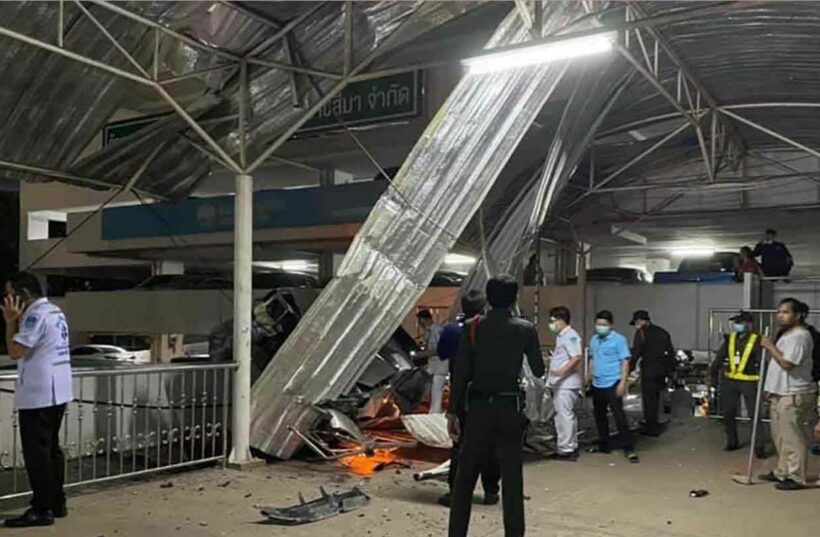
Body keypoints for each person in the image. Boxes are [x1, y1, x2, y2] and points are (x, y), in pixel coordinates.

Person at [448, 274, 544, 537]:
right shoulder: (525, 328)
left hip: (478, 409)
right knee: (512, 479)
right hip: (509, 409)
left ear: (488, 298)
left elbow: (461, 373)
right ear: (514, 299)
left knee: (465, 479)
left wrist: (452, 412)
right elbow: (538, 368)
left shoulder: (472, 326)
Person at [2, 272, 73, 527]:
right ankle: (56, 501)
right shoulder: (54, 311)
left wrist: (10, 322)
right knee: (51, 449)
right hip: (57, 389)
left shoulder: (34, 315)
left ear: (22, 294)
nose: (6, 300)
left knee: (37, 454)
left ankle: (41, 508)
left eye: (9, 294)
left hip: (39, 394)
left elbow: (15, 351)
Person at [436, 290, 500, 508]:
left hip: (463, 396)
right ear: (484, 307)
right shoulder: (495, 329)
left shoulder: (452, 330)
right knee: (490, 445)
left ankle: (457, 493)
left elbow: (442, 354)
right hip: (491, 396)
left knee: (461, 445)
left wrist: (452, 409)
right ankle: (491, 491)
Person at [757, 298, 817, 491]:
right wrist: (770, 389)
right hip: (780, 392)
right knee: (780, 437)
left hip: (793, 393)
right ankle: (782, 470)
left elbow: (787, 364)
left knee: (793, 437)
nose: (780, 315)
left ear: (798, 315)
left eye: (785, 312)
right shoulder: (786, 334)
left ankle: (795, 475)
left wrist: (769, 346)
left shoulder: (800, 336)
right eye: (779, 311)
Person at [709, 311, 766, 454]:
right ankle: (732, 441)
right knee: (728, 412)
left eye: (740, 323)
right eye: (736, 323)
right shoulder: (730, 339)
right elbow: (719, 358)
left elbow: (762, 362)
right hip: (730, 380)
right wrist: (712, 375)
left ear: (749, 324)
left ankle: (758, 446)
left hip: (749, 381)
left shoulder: (757, 340)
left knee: (754, 414)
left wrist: (765, 383)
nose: (737, 326)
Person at [587, 310, 639, 463]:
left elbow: (625, 362)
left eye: (604, 324)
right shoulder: (594, 340)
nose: (600, 327)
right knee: (599, 415)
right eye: (598, 324)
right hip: (597, 382)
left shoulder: (619, 340)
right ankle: (604, 444)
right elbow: (592, 359)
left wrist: (623, 381)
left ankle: (628, 448)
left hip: (613, 381)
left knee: (619, 415)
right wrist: (588, 375)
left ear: (611, 325)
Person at [629, 310, 675, 437]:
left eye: (637, 322)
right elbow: (671, 353)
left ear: (643, 321)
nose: (636, 325)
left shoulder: (641, 333)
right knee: (656, 398)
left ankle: (651, 427)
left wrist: (628, 370)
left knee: (648, 399)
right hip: (661, 371)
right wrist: (670, 371)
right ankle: (655, 423)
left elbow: (636, 353)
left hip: (648, 370)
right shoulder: (662, 332)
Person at [546, 306, 583, 461]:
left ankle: (566, 449)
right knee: (565, 416)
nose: (551, 324)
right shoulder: (562, 336)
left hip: (566, 384)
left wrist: (561, 372)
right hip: (562, 383)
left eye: (553, 321)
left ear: (561, 320)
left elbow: (577, 356)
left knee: (563, 416)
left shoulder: (570, 336)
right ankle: (570, 446)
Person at [416, 309, 446, 414]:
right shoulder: (428, 333)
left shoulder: (437, 331)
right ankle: (434, 412)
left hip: (440, 366)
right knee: (433, 392)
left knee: (436, 391)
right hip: (433, 366)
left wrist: (421, 355)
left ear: (424, 320)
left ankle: (435, 413)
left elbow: (439, 349)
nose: (420, 325)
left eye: (420, 322)